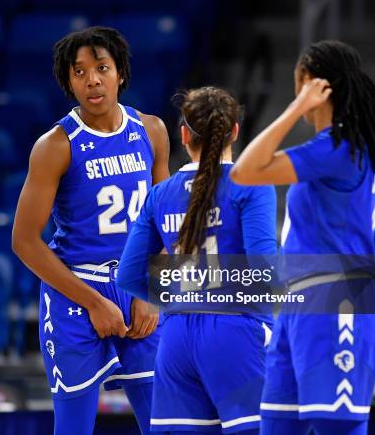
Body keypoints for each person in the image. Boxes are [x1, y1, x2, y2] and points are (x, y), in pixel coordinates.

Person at [12, 26, 170, 435]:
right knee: (74, 427)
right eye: (79, 72)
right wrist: (93, 302)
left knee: (165, 423)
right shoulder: (56, 145)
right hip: (77, 292)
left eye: (102, 68)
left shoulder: (152, 130)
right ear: (68, 81)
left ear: (120, 73)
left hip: (137, 289)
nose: (92, 80)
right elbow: (24, 241)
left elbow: (165, 223)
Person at [231, 40, 375, 434]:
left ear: (310, 84)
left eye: (297, 84)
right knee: (274, 426)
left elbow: (245, 171)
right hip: (299, 302)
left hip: (337, 298)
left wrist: (295, 109)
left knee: (334, 427)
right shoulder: (335, 148)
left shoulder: (338, 148)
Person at [116, 86, 277, 434]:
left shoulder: (159, 194)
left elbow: (129, 276)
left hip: (175, 338)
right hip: (238, 331)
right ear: (235, 131)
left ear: (184, 134)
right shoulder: (252, 184)